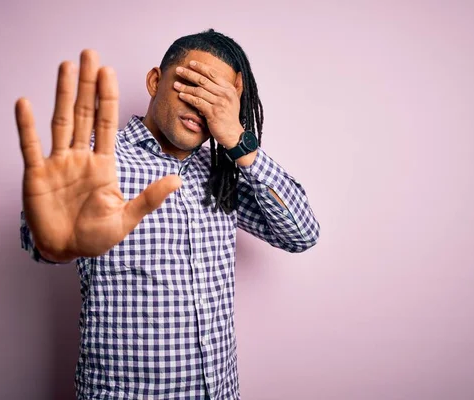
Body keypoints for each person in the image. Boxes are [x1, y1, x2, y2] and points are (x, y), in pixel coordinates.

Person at [17, 29, 319, 400]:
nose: (201, 107)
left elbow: (301, 232)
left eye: (216, 99)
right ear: (155, 81)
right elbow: (41, 234)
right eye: (192, 86)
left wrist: (240, 140)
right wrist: (52, 243)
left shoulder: (222, 174)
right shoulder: (95, 162)